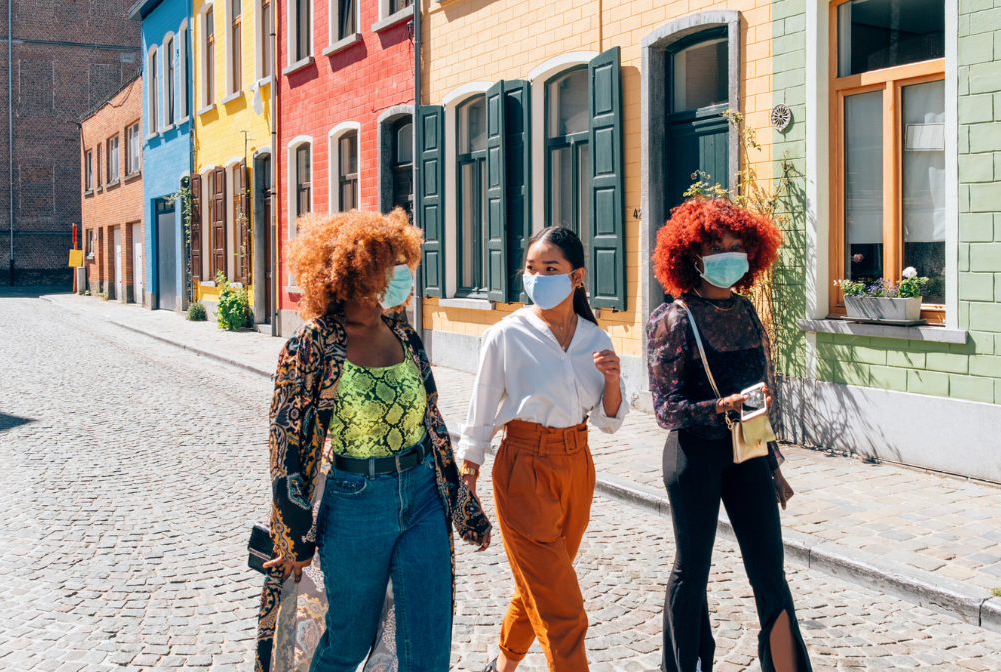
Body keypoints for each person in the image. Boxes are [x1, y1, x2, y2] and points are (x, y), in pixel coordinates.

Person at [257, 209, 493, 672]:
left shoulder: (404, 333)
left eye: (401, 260)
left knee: (427, 644)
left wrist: (463, 504)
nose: (403, 274)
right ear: (357, 269)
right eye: (390, 264)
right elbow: (285, 444)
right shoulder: (315, 343)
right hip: (354, 504)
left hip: (423, 495)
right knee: (347, 642)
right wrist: (292, 536)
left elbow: (432, 421)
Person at [645, 198, 813, 672]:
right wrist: (720, 407)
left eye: (737, 247)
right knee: (692, 570)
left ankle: (786, 668)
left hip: (749, 454)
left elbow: (756, 398)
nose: (728, 256)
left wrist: (773, 464)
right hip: (693, 457)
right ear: (692, 256)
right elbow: (666, 409)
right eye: (717, 248)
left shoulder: (747, 313)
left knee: (769, 573)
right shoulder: (674, 318)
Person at [460, 226, 628, 672]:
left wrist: (613, 380)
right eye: (531, 268)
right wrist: (468, 476)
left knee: (540, 584)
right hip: (523, 467)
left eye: (550, 268)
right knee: (563, 607)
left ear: (577, 277)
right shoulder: (507, 334)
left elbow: (610, 421)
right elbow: (481, 408)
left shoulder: (596, 338)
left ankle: (502, 666)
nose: (537, 277)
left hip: (577, 467)